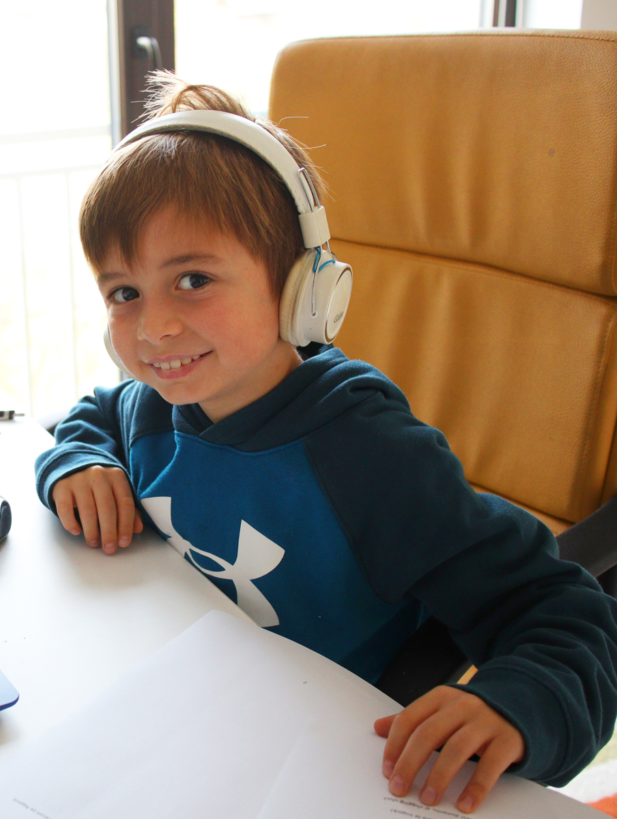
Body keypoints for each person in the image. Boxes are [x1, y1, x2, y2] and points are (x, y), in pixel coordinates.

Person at [33, 76, 617, 814]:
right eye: (125, 293)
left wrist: (517, 703)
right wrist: (79, 460)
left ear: (303, 287)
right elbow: (94, 414)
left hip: (311, 759)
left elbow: (562, 612)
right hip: (179, 716)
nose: (153, 329)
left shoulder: (368, 453)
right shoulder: (154, 403)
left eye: (193, 279)